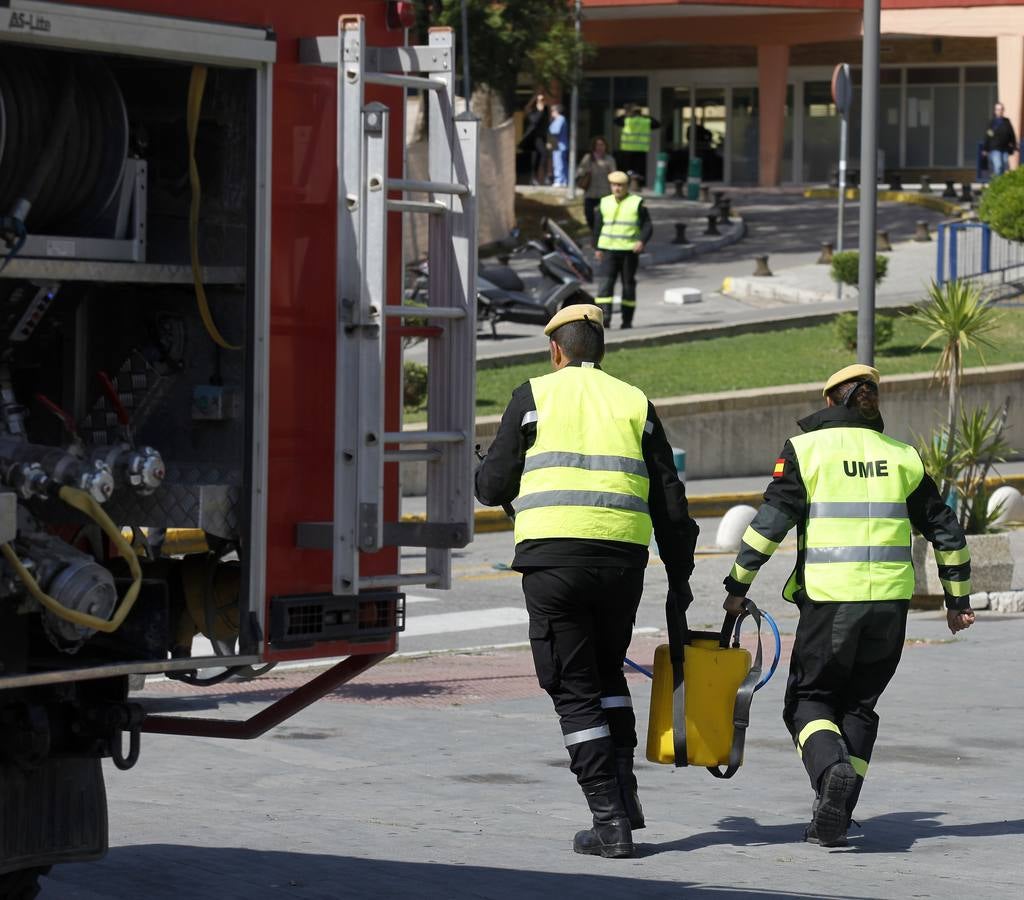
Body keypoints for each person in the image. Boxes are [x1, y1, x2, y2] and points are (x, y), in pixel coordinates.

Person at [474, 304, 698, 860]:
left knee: (573, 691)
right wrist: (680, 575)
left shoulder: (533, 396)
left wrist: (489, 472)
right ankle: (625, 796)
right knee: (607, 677)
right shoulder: (634, 402)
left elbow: (491, 484)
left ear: (556, 350)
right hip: (623, 566)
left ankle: (610, 822)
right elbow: (670, 499)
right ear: (600, 350)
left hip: (554, 565)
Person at [722, 364, 976, 848]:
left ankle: (831, 772)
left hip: (833, 603)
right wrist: (956, 600)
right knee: (859, 705)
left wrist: (737, 585)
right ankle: (834, 812)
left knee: (808, 701)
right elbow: (948, 532)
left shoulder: (806, 450)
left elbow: (769, 524)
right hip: (891, 609)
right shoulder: (903, 456)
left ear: (831, 402)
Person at [594, 171, 652, 329]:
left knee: (628, 286)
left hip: (628, 252)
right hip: (608, 251)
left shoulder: (636, 202)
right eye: (614, 185)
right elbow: (598, 227)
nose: (617, 188)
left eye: (620, 185)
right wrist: (597, 248)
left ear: (627, 186)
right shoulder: (604, 202)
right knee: (605, 286)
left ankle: (627, 321)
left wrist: (641, 241)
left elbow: (647, 225)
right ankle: (604, 320)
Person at [576, 136, 617, 236]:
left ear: (605, 146)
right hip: (590, 193)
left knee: (603, 216)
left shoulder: (609, 159)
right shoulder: (588, 158)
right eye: (597, 145)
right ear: (594, 146)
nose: (599, 147)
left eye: (602, 145)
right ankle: (594, 231)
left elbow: (614, 175)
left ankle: (600, 234)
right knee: (589, 215)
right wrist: (585, 171)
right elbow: (579, 172)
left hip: (605, 193)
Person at [613, 103, 660, 185]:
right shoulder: (646, 121)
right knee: (639, 170)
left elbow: (616, 121)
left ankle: (628, 184)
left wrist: (626, 114)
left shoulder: (627, 120)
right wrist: (645, 116)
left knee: (628, 171)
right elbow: (657, 124)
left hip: (627, 149)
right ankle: (639, 185)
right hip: (641, 149)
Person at [521, 93, 551, 186]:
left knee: (542, 156)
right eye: (540, 100)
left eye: (543, 100)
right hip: (533, 137)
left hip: (542, 137)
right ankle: (533, 178)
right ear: (536, 102)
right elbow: (534, 121)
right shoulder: (531, 111)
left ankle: (543, 177)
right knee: (537, 157)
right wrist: (539, 111)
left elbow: (545, 125)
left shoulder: (545, 111)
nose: (542, 102)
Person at [983, 101, 1017, 177]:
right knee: (998, 167)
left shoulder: (1007, 121)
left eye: (1001, 109)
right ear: (995, 111)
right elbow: (988, 136)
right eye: (998, 109)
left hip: (1005, 149)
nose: (1000, 111)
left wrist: (1014, 146)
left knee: (1005, 167)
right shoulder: (992, 122)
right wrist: (985, 148)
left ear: (1003, 110)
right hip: (995, 149)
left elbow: (1012, 134)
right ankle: (998, 184)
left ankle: (1001, 185)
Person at [548, 105, 569, 187]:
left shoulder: (560, 119)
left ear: (556, 111)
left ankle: (559, 180)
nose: (552, 113)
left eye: (552, 111)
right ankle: (563, 180)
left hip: (559, 146)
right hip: (559, 145)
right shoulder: (560, 119)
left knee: (558, 164)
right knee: (562, 164)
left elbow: (555, 131)